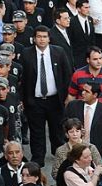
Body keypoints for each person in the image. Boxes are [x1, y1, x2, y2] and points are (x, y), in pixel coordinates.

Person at [20, 26, 73, 165]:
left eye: (44, 36)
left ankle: (59, 155)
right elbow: (23, 78)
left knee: (57, 130)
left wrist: (69, 95)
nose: (42, 39)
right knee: (36, 132)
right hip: (35, 100)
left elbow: (67, 74)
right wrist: (24, 99)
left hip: (55, 99)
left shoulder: (59, 52)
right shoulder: (26, 53)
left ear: (49, 38)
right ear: (34, 38)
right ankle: (38, 158)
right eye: (39, 36)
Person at [64, 81, 102, 155]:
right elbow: (64, 124)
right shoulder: (73, 106)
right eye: (83, 90)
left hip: (97, 152)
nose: (83, 93)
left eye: (87, 91)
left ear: (95, 95)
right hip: (74, 150)